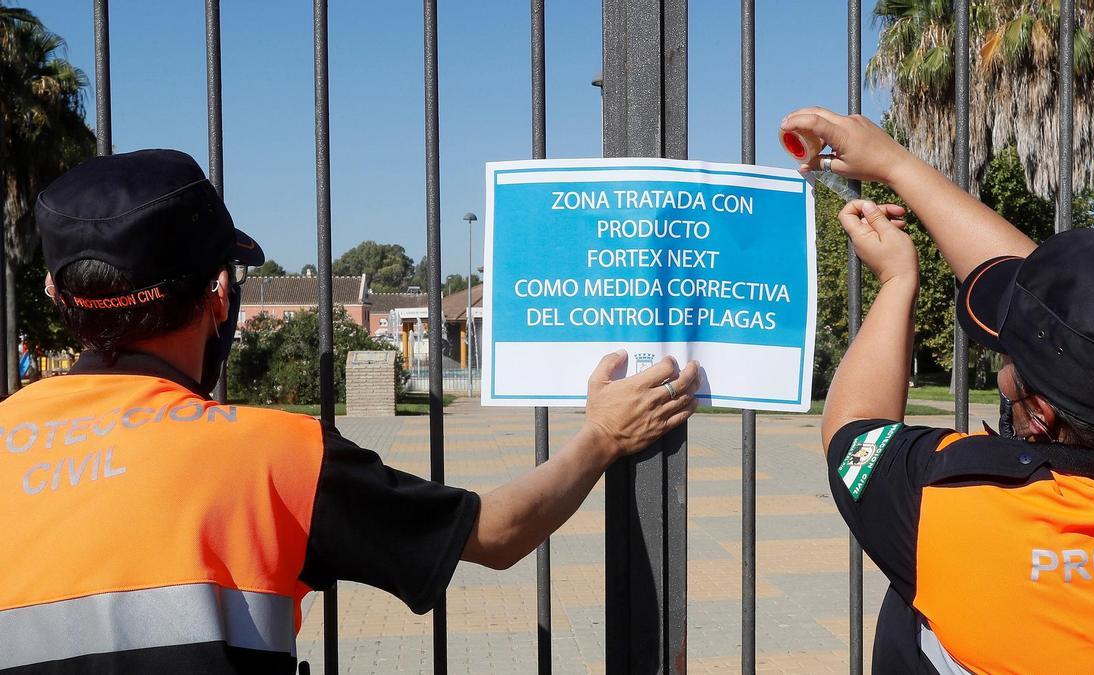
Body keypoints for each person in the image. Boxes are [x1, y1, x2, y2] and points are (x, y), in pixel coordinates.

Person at [0, 149, 700, 673]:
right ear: (219, 293)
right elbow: (498, 531)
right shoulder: (273, 456)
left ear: (60, 300)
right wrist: (603, 434)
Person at [781, 109, 1094, 672]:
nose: (1004, 370)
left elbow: (852, 430)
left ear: (1042, 416)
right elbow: (1079, 328)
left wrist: (897, 279)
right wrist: (896, 165)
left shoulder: (952, 501)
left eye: (1009, 360)